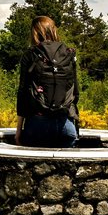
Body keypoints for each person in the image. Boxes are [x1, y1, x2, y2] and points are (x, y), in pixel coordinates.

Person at [15, 16, 79, 148]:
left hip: (37, 123)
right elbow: (75, 92)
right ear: (53, 30)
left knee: (32, 168)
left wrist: (18, 131)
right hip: (65, 124)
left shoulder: (30, 54)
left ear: (34, 32)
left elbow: (22, 93)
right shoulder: (69, 53)